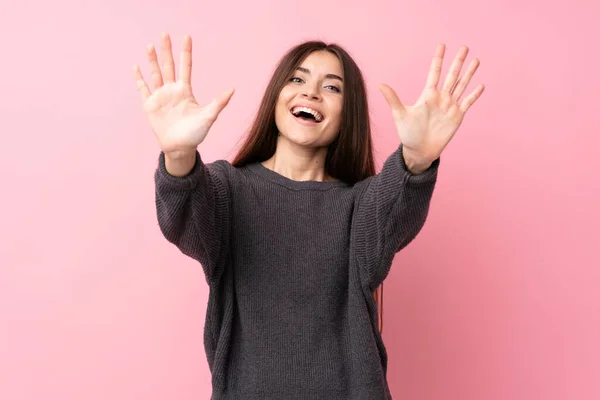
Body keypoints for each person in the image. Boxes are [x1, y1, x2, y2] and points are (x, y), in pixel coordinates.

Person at [132, 32, 484, 400]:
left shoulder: (359, 204)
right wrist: (178, 156)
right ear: (276, 97)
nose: (311, 93)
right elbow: (185, 218)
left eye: (331, 87)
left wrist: (416, 159)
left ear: (348, 115)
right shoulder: (228, 189)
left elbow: (392, 210)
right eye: (297, 79)